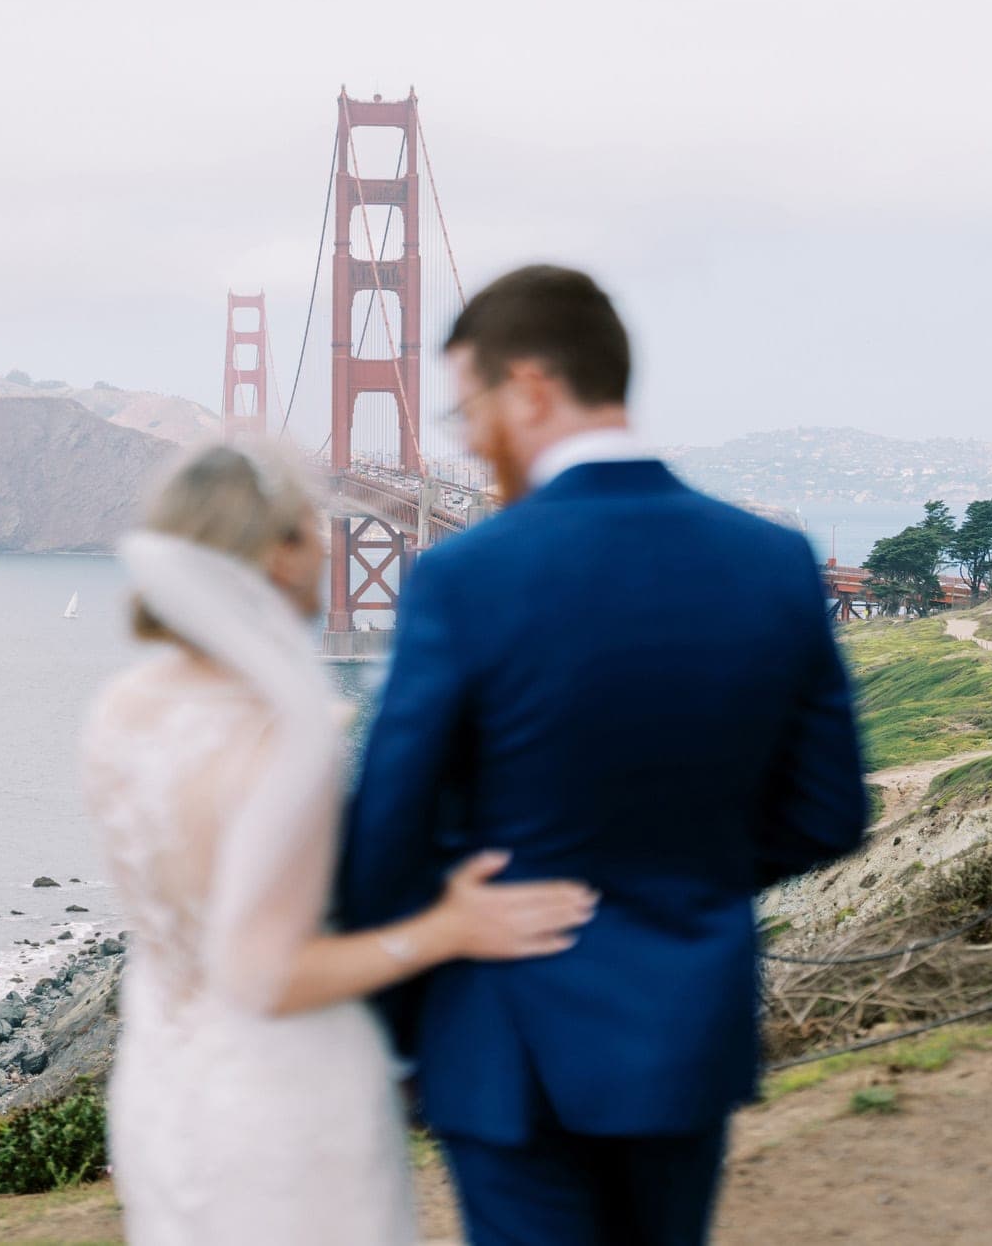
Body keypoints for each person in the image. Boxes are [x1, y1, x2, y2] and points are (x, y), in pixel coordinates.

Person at [341, 264, 870, 1246]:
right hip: (683, 1028)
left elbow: (384, 829)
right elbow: (829, 811)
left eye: (468, 407)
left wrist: (405, 1000)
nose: (462, 440)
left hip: (503, 1038)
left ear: (531, 386)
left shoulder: (464, 575)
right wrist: (685, 878)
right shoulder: (770, 563)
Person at [80, 442, 599, 1246]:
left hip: (161, 1085)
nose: (333, 540)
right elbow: (263, 975)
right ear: (276, 554)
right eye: (311, 525)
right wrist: (449, 928)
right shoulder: (286, 732)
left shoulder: (120, 710)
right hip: (286, 1098)